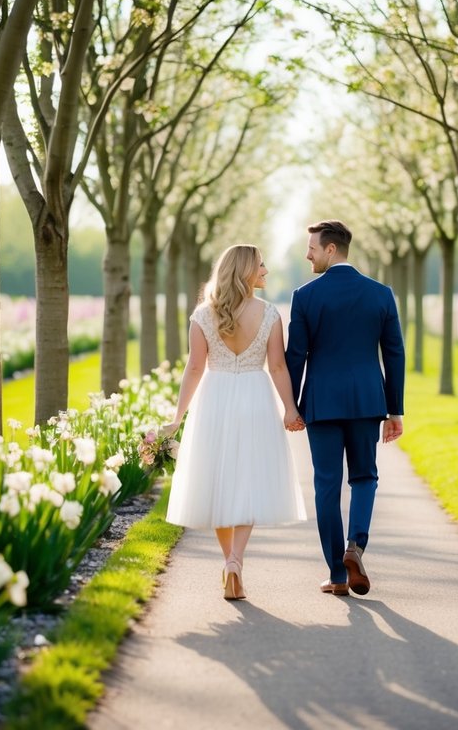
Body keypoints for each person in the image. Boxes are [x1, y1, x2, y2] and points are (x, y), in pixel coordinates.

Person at [163, 244, 307, 600]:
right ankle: (236, 562)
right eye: (261, 265)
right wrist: (290, 408)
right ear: (245, 271)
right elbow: (277, 367)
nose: (266, 271)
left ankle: (228, 560)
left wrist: (177, 416)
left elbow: (194, 368)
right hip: (256, 398)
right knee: (250, 481)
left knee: (219, 481)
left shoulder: (202, 315)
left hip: (215, 399)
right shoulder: (270, 314)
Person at [285, 220, 405, 597]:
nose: (308, 255)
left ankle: (338, 574)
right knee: (365, 477)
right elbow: (394, 354)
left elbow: (296, 355)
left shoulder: (305, 295)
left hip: (322, 402)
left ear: (331, 250)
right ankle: (356, 545)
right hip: (368, 401)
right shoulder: (381, 294)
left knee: (326, 485)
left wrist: (290, 405)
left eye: (312, 248)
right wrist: (395, 409)